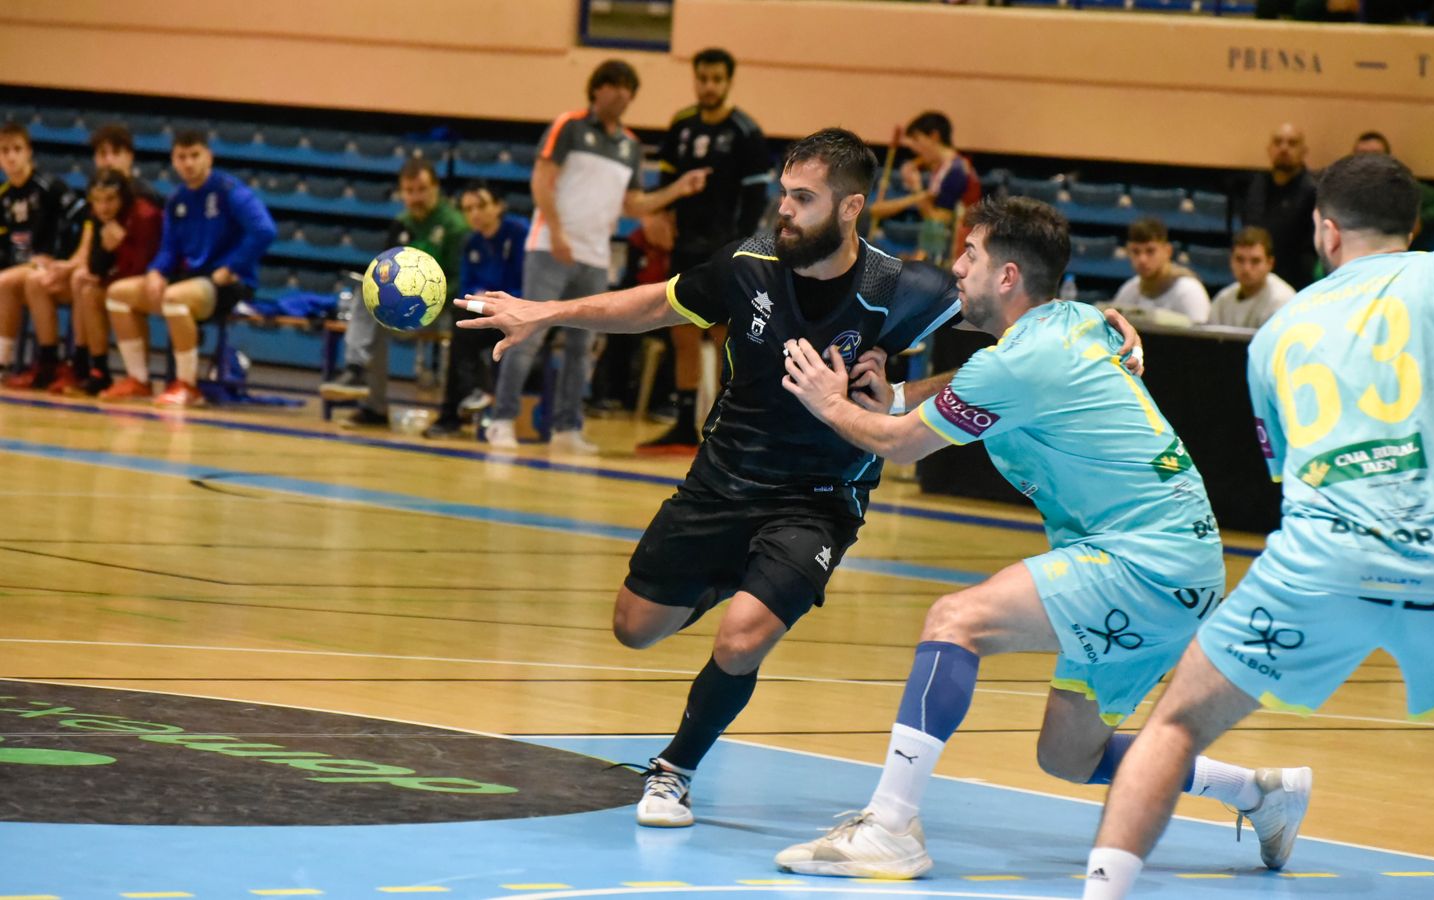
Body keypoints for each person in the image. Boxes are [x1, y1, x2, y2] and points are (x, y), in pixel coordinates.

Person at [455, 128, 1145, 831]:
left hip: (819, 500)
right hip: (723, 480)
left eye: (803, 198)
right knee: (635, 629)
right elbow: (655, 302)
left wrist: (1095, 324)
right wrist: (546, 313)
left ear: (849, 209)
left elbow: (1023, 329)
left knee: (742, 640)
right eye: (785, 193)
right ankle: (739, 575)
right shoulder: (748, 265)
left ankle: (673, 770)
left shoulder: (902, 287)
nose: (784, 209)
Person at [1080, 152, 1434, 900]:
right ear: (1414, 227)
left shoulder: (1272, 337)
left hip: (1319, 564)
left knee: (1174, 728)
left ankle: (1102, 891)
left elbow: (1287, 474)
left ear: (1325, 233)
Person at [772, 196, 1307, 879]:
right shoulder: (1079, 322)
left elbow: (902, 449)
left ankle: (889, 826)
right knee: (1068, 754)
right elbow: (1004, 377)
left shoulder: (1024, 360)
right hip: (1180, 563)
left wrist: (829, 402)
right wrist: (902, 393)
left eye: (970, 255)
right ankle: (1262, 795)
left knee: (955, 620)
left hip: (1143, 559)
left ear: (1007, 276)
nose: (955, 268)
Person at [480, 60, 710, 455]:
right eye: (615, 85)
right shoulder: (568, 126)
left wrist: (678, 189)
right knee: (527, 334)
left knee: (580, 345)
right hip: (550, 249)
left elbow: (634, 205)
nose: (622, 94)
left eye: (628, 89)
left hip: (596, 256)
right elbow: (542, 179)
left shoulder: (631, 147)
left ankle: (567, 427)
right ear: (597, 88)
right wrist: (556, 232)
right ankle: (500, 419)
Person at [638, 47, 772, 456]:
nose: (709, 86)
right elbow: (664, 188)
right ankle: (682, 425)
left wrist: (741, 251)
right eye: (703, 78)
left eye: (717, 79)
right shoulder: (680, 126)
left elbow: (754, 203)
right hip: (685, 247)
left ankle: (723, 426)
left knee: (723, 338)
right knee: (681, 334)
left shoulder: (746, 132)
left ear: (728, 82)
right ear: (695, 79)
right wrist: (656, 217)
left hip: (726, 252)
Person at [100, 129, 274, 406]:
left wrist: (233, 266)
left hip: (229, 284)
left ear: (209, 157)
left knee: (174, 297)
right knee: (119, 292)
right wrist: (156, 271)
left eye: (195, 155)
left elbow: (264, 230)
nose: (189, 163)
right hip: (191, 280)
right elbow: (169, 250)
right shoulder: (177, 199)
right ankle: (138, 380)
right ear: (174, 160)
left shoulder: (230, 191)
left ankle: (187, 385)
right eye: (182, 157)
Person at [321, 157, 468, 426]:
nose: (416, 197)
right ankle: (367, 394)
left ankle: (454, 412)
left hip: (442, 310)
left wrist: (432, 299)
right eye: (409, 191)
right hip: (405, 308)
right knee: (369, 299)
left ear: (436, 189)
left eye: (422, 190)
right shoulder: (401, 223)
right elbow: (383, 271)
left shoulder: (454, 226)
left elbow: (462, 279)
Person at [425, 181, 527, 440]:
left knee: (462, 334)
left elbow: (525, 284)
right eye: (468, 209)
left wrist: (494, 299)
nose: (474, 214)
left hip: (519, 313)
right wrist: (478, 299)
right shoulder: (471, 242)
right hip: (486, 314)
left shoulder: (518, 234)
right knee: (461, 325)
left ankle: (458, 410)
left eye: (481, 206)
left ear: (499, 206)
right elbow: (468, 285)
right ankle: (470, 396)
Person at [59, 168, 162, 396]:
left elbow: (142, 266)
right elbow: (96, 268)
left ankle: (139, 377)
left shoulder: (144, 216)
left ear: (123, 197)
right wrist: (106, 248)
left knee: (118, 293)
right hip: (123, 280)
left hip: (155, 282)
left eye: (110, 200)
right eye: (97, 201)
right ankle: (99, 371)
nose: (103, 207)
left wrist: (122, 244)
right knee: (89, 292)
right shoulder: (100, 217)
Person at [0, 121, 72, 388]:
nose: (11, 156)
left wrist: (64, 258)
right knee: (6, 283)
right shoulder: (3, 196)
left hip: (48, 268)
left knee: (5, 282)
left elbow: (82, 218)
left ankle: (48, 361)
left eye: (17, 149)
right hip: (16, 270)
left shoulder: (48, 186)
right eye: (4, 150)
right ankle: (3, 364)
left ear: (29, 152)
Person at [866, 112, 980, 264]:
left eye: (917, 139)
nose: (913, 147)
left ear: (934, 136)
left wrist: (916, 187)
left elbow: (937, 220)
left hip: (959, 249)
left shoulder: (957, 170)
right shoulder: (941, 168)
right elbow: (930, 217)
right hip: (943, 245)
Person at [1351, 131, 1434, 248]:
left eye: (1376, 155)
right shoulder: (1344, 190)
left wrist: (1421, 219)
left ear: (1388, 159)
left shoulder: (1402, 188)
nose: (1368, 161)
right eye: (1362, 155)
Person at [1242, 123, 1318, 290]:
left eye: (1292, 143)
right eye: (1278, 142)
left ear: (1304, 151)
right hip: (1257, 280)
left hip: (1296, 284)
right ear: (1269, 149)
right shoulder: (1256, 186)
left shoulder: (1313, 192)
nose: (1284, 148)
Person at [1109, 217, 1210, 325]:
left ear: (1168, 251)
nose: (1142, 259)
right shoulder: (1128, 291)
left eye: (1150, 251)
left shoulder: (1189, 292)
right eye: (1136, 251)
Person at [1207, 227, 1294, 329]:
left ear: (1270, 263)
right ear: (1231, 261)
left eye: (1255, 261)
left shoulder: (1283, 301)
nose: (1246, 269)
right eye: (1240, 259)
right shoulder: (1222, 300)